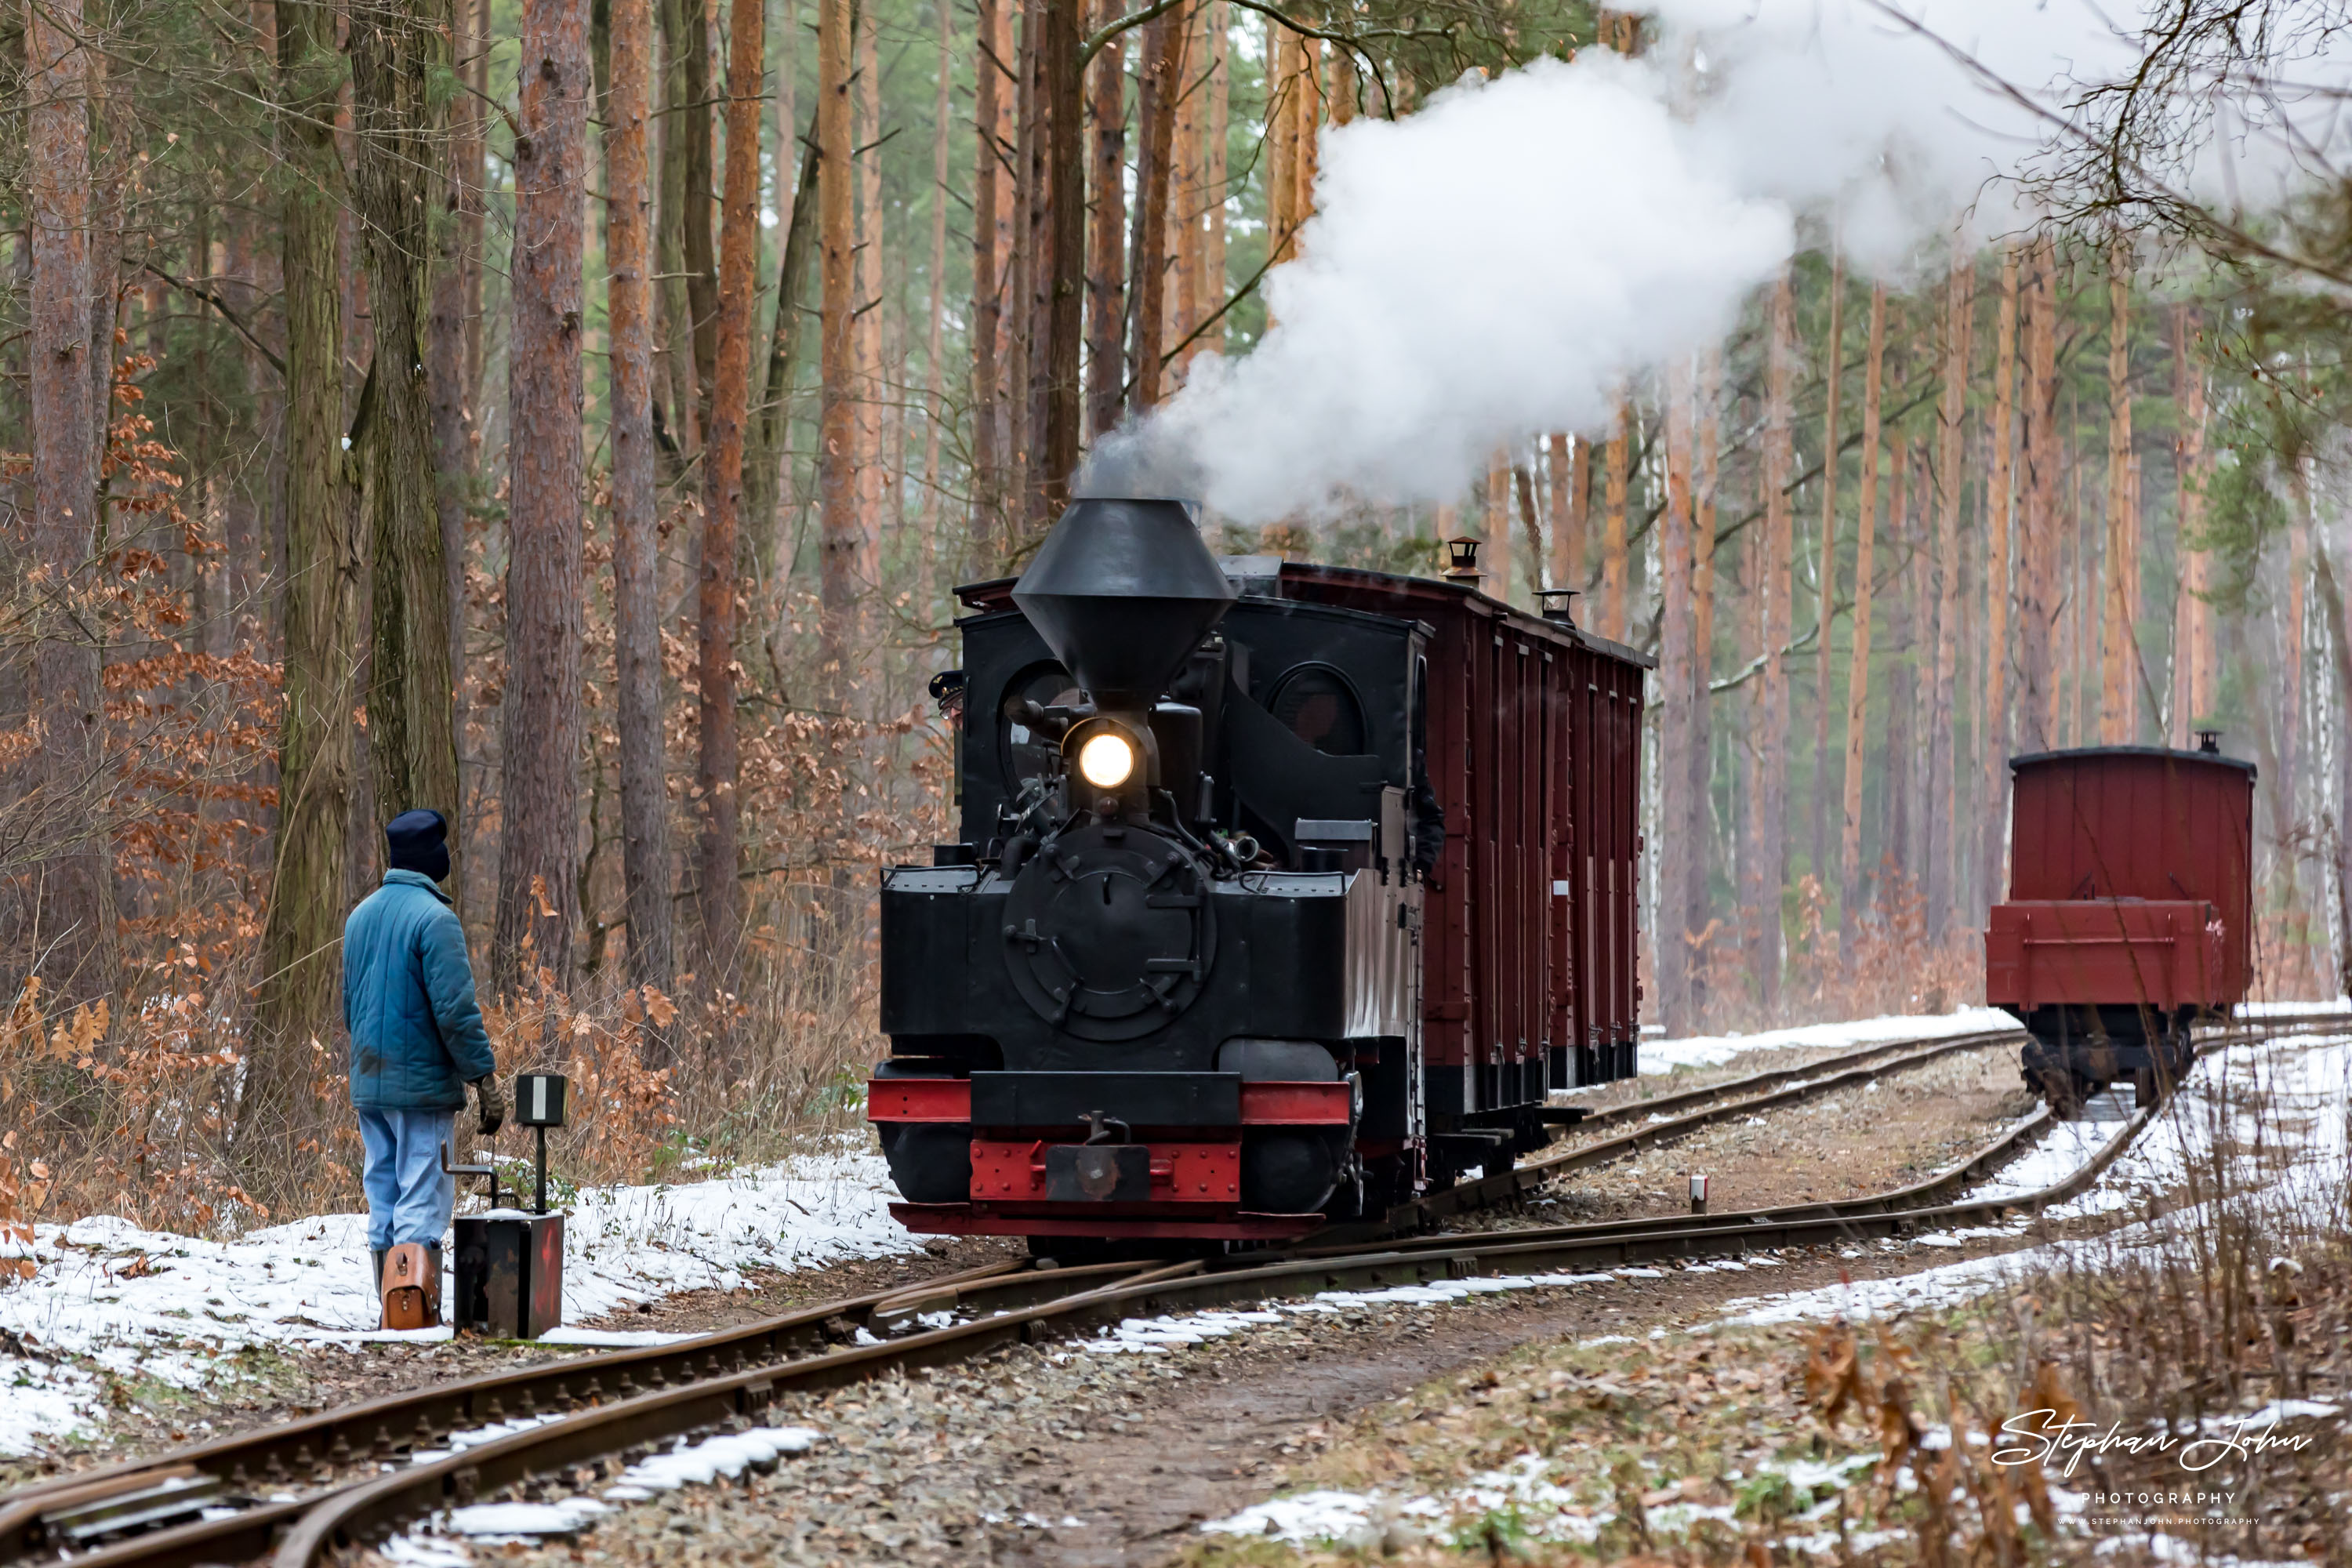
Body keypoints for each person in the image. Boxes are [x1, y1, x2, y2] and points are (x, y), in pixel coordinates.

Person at [343, 809, 504, 1314]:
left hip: (370, 1082)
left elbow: (351, 1008)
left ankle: (389, 1305)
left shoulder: (359, 917)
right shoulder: (436, 920)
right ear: (432, 858)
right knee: (422, 1194)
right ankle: (411, 1315)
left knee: (383, 1192)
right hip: (422, 1087)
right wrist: (483, 1076)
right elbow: (455, 1012)